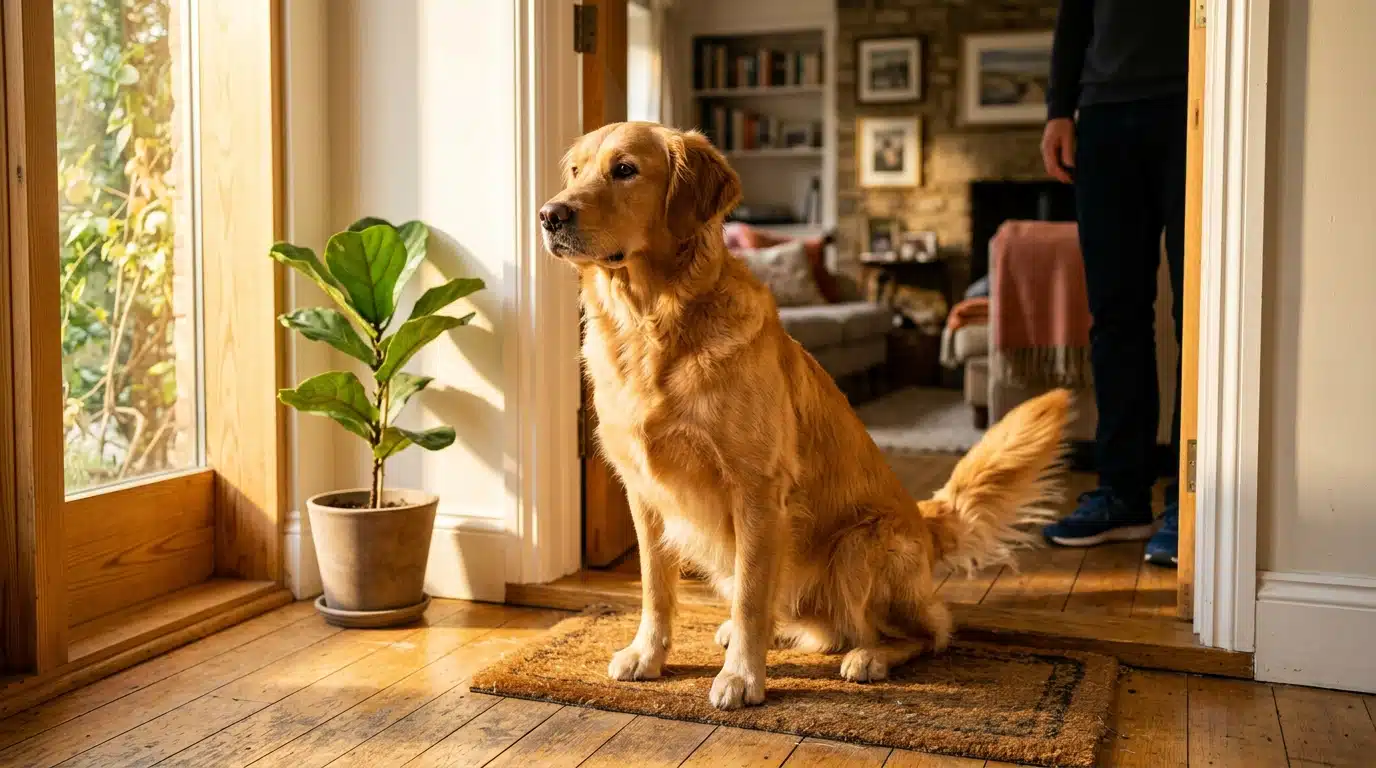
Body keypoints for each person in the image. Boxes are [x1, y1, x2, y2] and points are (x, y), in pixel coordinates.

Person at [1038, 0, 1189, 567]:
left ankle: (1186, 502)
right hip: (1101, 116)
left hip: (1193, 101)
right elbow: (1075, 11)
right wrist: (1060, 108)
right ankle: (1123, 495)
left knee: (1197, 314)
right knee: (1116, 317)